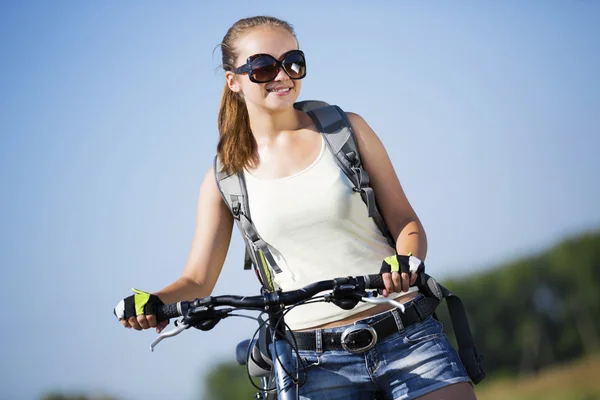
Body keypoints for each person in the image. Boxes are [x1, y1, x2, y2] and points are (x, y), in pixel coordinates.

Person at [114, 15, 477, 400]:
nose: (282, 74)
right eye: (263, 66)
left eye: (293, 61)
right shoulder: (224, 177)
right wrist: (155, 302)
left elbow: (404, 220)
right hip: (312, 362)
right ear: (232, 80)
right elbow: (198, 281)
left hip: (406, 334)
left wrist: (406, 262)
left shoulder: (346, 130)